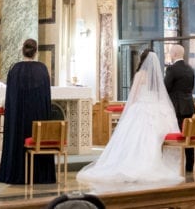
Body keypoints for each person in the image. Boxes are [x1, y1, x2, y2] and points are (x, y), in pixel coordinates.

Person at [75, 50, 182, 185]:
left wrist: (128, 110)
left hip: (141, 107)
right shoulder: (157, 77)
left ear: (141, 60)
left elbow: (134, 95)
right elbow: (160, 95)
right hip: (156, 109)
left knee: (134, 138)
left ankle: (134, 163)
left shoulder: (140, 74)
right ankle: (153, 163)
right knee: (151, 140)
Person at [0, 38, 54, 185]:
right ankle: (41, 175)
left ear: (22, 50)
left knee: (17, 139)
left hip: (18, 118)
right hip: (38, 118)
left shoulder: (15, 69)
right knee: (37, 136)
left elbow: (10, 97)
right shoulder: (42, 69)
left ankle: (14, 173)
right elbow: (47, 97)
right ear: (36, 52)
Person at [163, 44, 195, 173]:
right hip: (188, 106)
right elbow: (191, 87)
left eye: (170, 52)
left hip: (176, 106)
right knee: (188, 135)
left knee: (177, 135)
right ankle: (189, 165)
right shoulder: (190, 69)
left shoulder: (172, 69)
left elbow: (165, 87)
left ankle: (173, 164)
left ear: (175, 54)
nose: (170, 55)